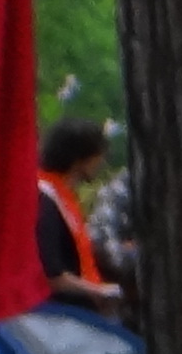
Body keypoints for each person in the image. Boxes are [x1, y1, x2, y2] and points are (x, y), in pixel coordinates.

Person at [34, 120, 125, 316]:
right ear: (79, 158)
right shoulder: (45, 199)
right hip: (61, 317)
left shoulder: (64, 197)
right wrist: (99, 291)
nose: (102, 162)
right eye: (98, 155)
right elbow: (51, 275)